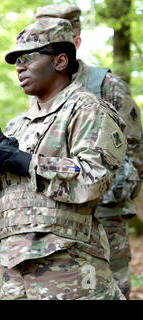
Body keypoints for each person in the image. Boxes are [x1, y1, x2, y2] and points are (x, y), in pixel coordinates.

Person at [0, 18, 127, 299]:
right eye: (16, 59)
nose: (19, 65)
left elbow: (94, 178)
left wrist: (27, 163)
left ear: (60, 61)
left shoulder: (87, 110)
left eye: (28, 57)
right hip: (15, 270)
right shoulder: (18, 125)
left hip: (71, 268)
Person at [35, 3, 143, 299]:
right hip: (53, 213)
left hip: (103, 211)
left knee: (111, 286)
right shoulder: (38, 88)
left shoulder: (105, 86)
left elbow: (133, 150)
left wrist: (111, 193)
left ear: (76, 41)